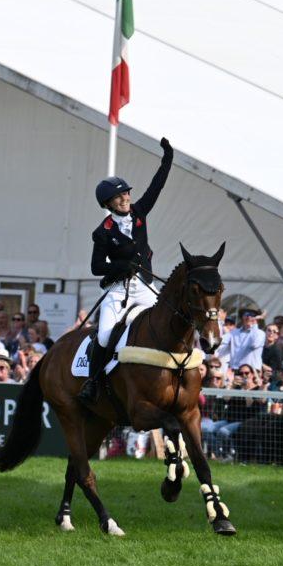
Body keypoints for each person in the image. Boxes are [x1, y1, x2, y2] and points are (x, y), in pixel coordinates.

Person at [79, 136, 173, 403]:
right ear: (108, 203)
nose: (125, 198)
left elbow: (157, 186)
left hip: (145, 286)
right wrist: (120, 266)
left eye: (126, 193)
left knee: (169, 320)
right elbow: (97, 267)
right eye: (119, 196)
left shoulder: (140, 212)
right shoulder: (103, 232)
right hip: (119, 289)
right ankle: (92, 382)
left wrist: (168, 158)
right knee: (106, 334)